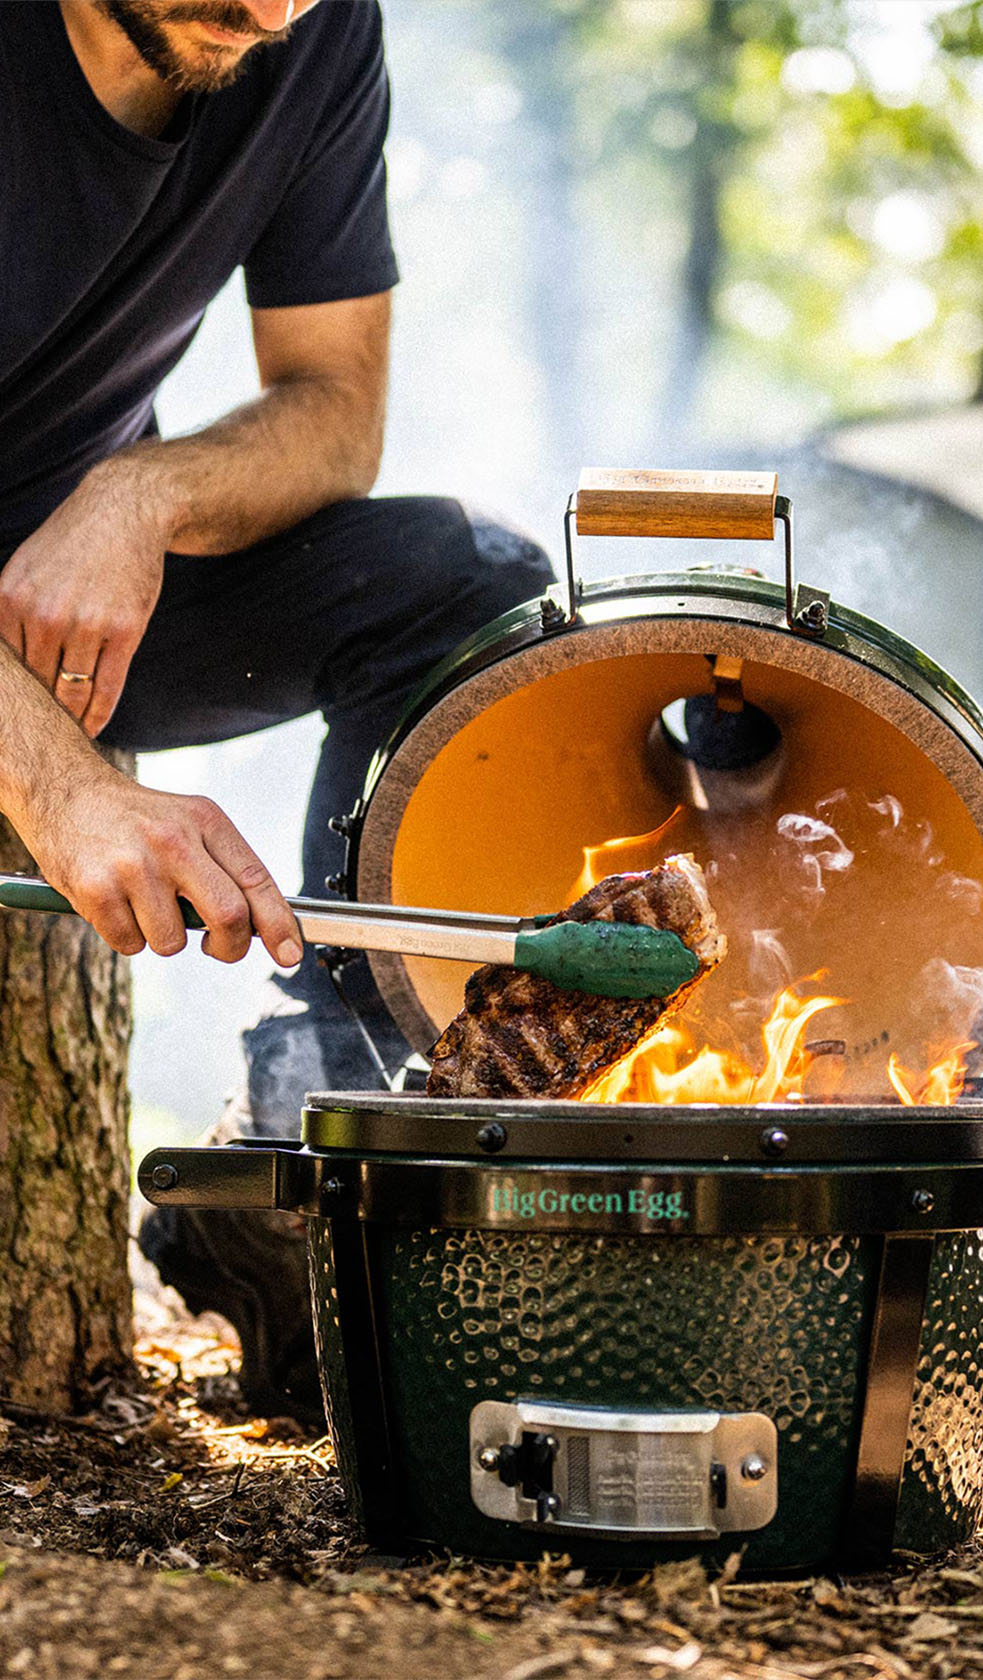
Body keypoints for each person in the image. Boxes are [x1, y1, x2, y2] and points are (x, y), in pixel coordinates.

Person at [0, 0, 553, 1418]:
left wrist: (137, 494)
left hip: (62, 593)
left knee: (474, 579)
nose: (269, 10)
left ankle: (306, 1146)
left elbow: (333, 408)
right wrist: (62, 790)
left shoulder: (310, 34)